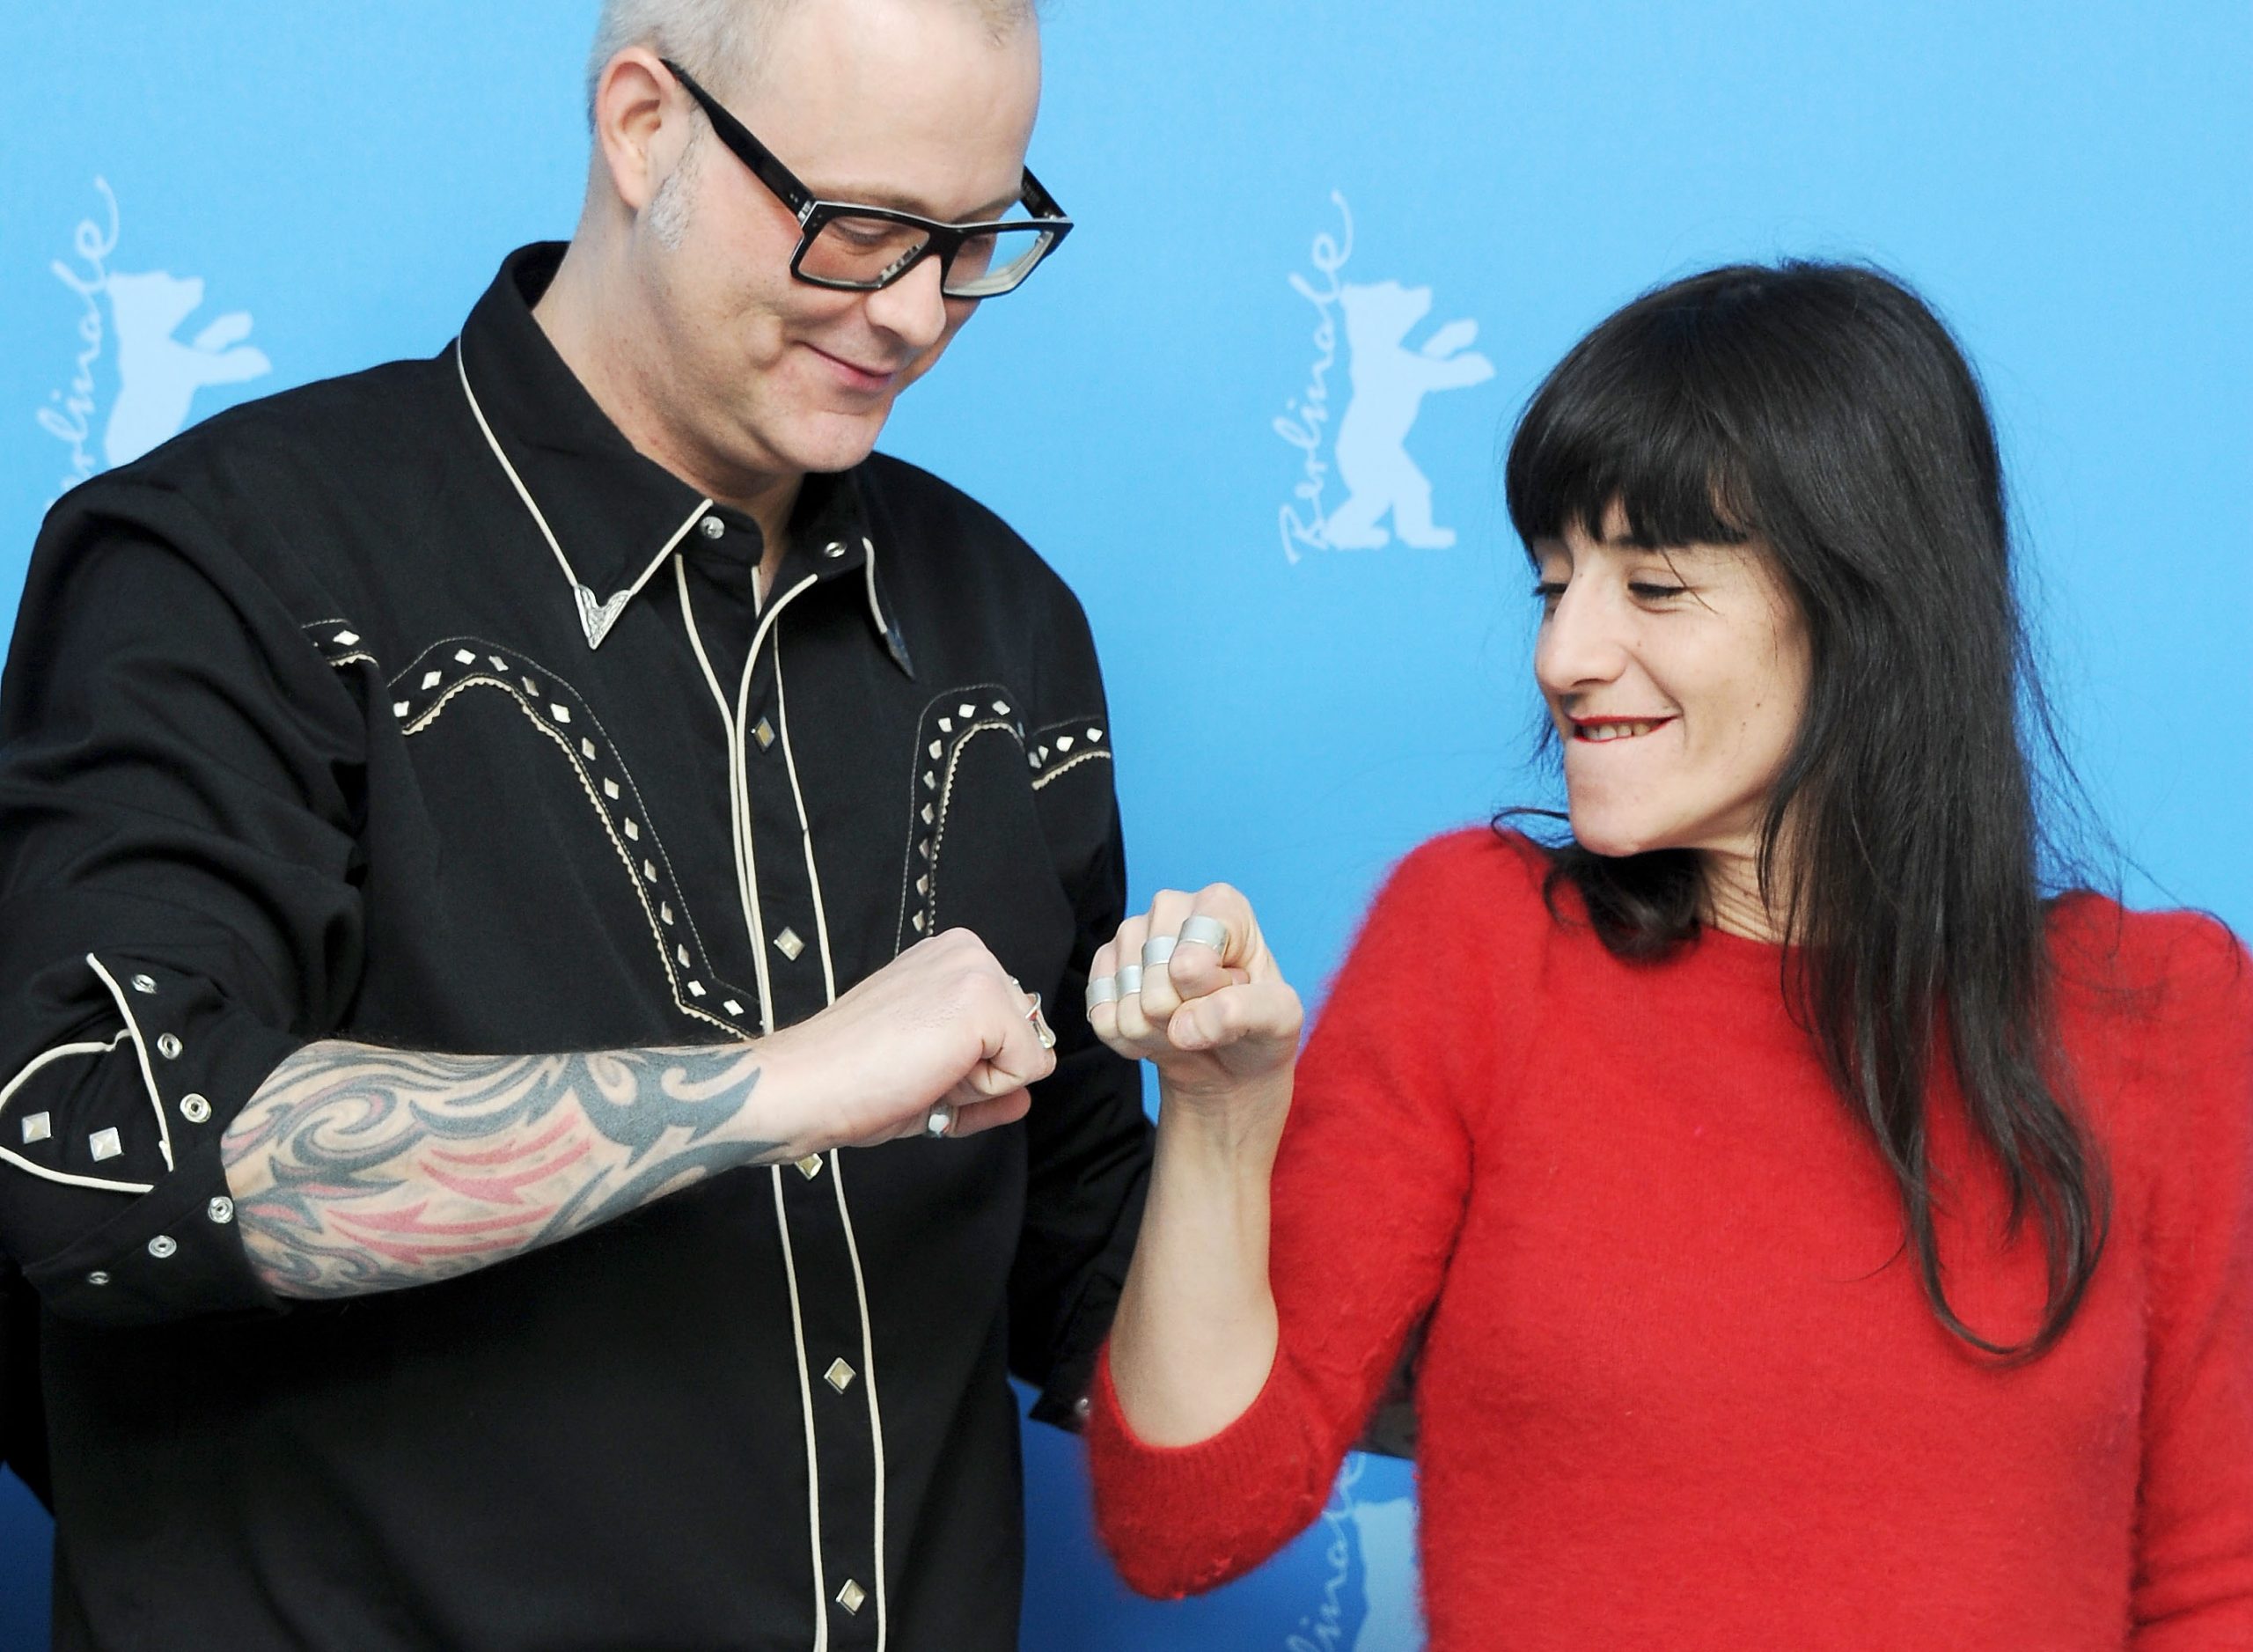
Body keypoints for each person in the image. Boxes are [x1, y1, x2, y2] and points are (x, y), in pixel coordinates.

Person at [0, 2, 1154, 1647]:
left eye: (974, 240)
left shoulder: (1009, 627)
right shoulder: (229, 555)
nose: (914, 313)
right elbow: (96, 1156)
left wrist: (1242, 1105)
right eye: (858, 227)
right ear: (642, 126)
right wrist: (779, 1084)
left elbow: (1087, 1275)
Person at [1078, 262, 2253, 1648]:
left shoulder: (2162, 1012)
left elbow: (2215, 1583)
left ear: (1867, 606)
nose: (1564, 653)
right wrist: (1219, 1118)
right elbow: (1186, 1520)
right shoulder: (1480, 945)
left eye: (1652, 585)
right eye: (1554, 583)